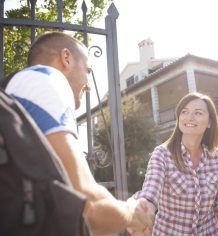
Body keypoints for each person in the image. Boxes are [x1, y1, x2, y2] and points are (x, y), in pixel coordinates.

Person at [5, 32, 154, 235]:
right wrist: (132, 213)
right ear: (66, 58)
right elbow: (88, 208)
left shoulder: (17, 91)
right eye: (88, 70)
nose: (89, 85)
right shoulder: (47, 79)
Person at [130, 92, 218, 236]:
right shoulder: (162, 154)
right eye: (184, 112)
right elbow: (150, 192)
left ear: (209, 122)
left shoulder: (217, 157)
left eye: (198, 113)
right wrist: (143, 208)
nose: (189, 117)